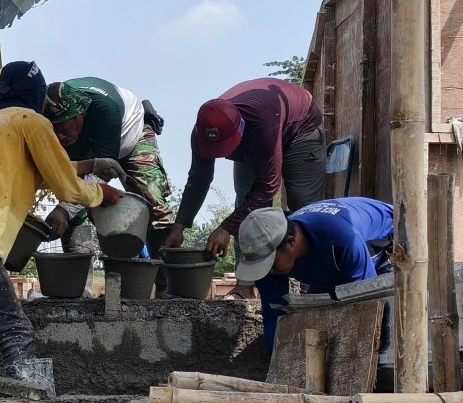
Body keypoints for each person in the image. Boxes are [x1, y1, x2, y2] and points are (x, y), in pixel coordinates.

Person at [0, 61, 123, 399]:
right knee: (15, 329)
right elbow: (68, 190)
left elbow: (40, 166)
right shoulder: (33, 122)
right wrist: (102, 192)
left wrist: (88, 165)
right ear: (39, 97)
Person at [163, 78, 326, 299]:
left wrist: (226, 228)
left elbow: (268, 187)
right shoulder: (203, 130)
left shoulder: (263, 123)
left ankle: (313, 283)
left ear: (239, 130)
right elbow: (198, 179)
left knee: (302, 204)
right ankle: (246, 285)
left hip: (299, 127)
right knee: (246, 205)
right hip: (254, 137)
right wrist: (180, 225)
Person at [41, 77, 173, 291]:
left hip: (132, 135)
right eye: (54, 131)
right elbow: (67, 178)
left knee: (153, 203)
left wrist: (64, 209)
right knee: (75, 206)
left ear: (80, 115)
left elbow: (104, 172)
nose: (60, 137)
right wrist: (66, 208)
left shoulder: (105, 110)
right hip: (91, 148)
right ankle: (79, 288)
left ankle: (167, 287)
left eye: (64, 129)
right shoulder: (52, 125)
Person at [235, 198, 393, 355]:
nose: (266, 271)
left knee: (384, 335)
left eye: (268, 263)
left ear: (291, 243)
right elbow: (274, 317)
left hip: (391, 247)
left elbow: (369, 305)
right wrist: (275, 367)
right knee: (313, 327)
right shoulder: (270, 253)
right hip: (332, 265)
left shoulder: (341, 238)